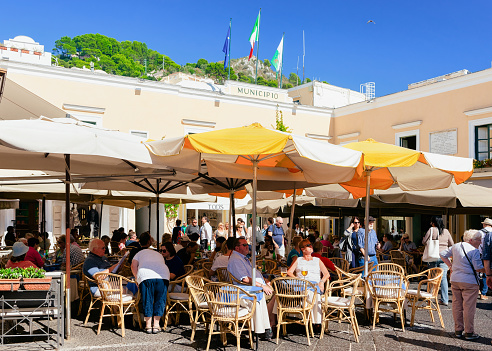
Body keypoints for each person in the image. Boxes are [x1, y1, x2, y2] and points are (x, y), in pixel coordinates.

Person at [440, 229, 485, 341]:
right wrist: (488, 271)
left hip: (455, 279)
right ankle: (469, 332)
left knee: (457, 305)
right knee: (469, 307)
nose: (480, 242)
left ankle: (458, 330)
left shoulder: (456, 246)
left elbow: (442, 254)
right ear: (471, 240)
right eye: (478, 240)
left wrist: (451, 266)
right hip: (469, 281)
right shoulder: (474, 251)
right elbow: (478, 268)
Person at [227, 237, 275, 339]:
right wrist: (262, 286)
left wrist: (265, 281)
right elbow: (244, 279)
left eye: (247, 245)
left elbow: (253, 275)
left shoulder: (242, 258)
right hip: (246, 290)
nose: (247, 247)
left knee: (275, 290)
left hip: (254, 286)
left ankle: (267, 324)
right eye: (244, 245)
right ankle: (268, 325)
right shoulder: (236, 260)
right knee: (274, 294)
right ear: (237, 247)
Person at [131, 239, 170, 334]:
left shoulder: (139, 253)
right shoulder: (158, 254)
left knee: (147, 298)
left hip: (146, 275)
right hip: (163, 275)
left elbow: (133, 266)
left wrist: (136, 278)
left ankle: (148, 325)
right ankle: (156, 325)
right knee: (160, 299)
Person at [422, 216, 454, 305]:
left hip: (433, 256)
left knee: (432, 276)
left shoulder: (431, 230)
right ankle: (445, 299)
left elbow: (424, 242)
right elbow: (452, 243)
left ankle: (430, 296)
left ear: (433, 222)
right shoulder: (446, 231)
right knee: (443, 278)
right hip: (444, 256)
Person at [478, 218, 492, 299]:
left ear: (484, 224)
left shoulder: (480, 232)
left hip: (480, 254)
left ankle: (481, 291)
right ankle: (484, 292)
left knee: (482, 272)